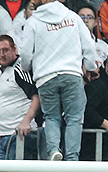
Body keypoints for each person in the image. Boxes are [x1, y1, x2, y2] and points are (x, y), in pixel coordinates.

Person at [19, 0, 99, 162]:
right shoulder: (72, 17)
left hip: (46, 77)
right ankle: (71, 159)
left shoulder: (33, 21)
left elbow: (26, 53)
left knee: (51, 117)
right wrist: (90, 66)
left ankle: (53, 150)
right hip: (71, 74)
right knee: (74, 118)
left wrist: (27, 67)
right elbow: (89, 46)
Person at [0, 34, 40, 160]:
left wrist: (26, 121)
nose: (2, 54)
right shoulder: (0, 71)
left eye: (6, 50)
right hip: (4, 136)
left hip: (20, 136)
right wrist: (0, 133)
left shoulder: (20, 69)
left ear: (15, 49)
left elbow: (37, 96)